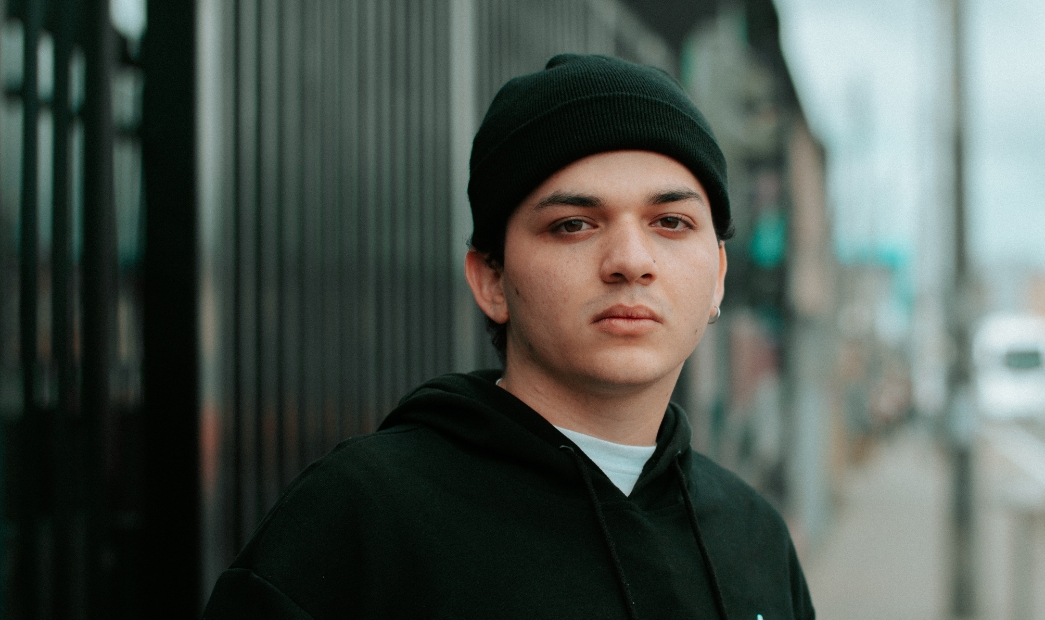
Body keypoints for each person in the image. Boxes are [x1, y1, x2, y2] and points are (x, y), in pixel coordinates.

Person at [203, 53, 816, 620]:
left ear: (718, 277)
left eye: (671, 222)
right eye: (574, 223)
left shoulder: (753, 537)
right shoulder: (362, 518)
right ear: (491, 278)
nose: (631, 259)